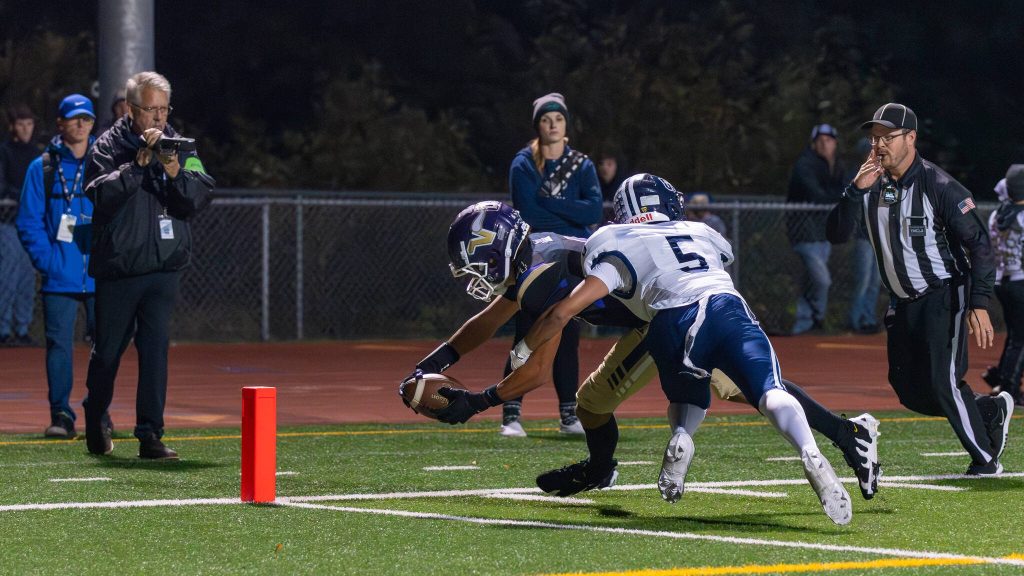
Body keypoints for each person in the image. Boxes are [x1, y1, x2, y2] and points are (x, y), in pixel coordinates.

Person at [423, 199, 881, 501]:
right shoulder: (537, 254)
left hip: (660, 319)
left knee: (594, 403)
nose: (472, 276)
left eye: (473, 263)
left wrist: (477, 403)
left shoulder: (543, 280)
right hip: (660, 311)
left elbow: (535, 372)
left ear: (496, 248)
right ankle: (848, 435)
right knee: (750, 387)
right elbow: (488, 321)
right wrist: (437, 360)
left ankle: (600, 470)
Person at [509, 173, 853, 524]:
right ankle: (810, 452)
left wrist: (522, 349)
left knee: (687, 398)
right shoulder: (702, 232)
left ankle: (682, 436)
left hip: (667, 323)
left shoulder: (613, 240)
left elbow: (563, 312)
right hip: (723, 306)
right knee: (769, 391)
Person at [827, 103, 1013, 476]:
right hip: (903, 300)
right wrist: (852, 192)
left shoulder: (938, 184)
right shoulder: (868, 183)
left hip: (944, 292)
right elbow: (836, 234)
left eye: (887, 137)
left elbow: (979, 244)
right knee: (908, 390)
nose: (879, 144)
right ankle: (989, 410)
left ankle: (985, 459)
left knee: (942, 382)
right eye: (873, 137)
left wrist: (979, 303)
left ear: (910, 138)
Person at [82, 71, 214, 459]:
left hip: (164, 267)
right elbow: (100, 196)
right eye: (150, 109)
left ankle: (150, 434)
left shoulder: (181, 145)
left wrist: (173, 169)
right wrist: (137, 167)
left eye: (163, 109)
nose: (158, 118)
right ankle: (95, 413)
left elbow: (198, 195)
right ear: (130, 109)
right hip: (120, 268)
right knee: (107, 352)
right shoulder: (107, 146)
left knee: (155, 350)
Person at [504, 92, 602, 437]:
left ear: (565, 123)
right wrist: (565, 207)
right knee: (527, 328)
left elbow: (593, 211)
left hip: (573, 254)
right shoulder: (523, 163)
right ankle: (511, 415)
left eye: (558, 119)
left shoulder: (582, 164)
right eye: (546, 119)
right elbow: (527, 213)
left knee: (569, 332)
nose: (553, 125)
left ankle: (568, 415)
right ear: (538, 125)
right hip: (536, 252)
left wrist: (550, 201)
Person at [15, 94, 98, 438]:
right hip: (58, 276)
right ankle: (61, 415)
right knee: (59, 347)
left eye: (87, 119)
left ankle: (99, 411)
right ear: (60, 123)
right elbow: (29, 221)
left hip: (100, 275)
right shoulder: (43, 167)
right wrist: (49, 262)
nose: (81, 124)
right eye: (74, 118)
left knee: (104, 348)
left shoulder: (105, 161)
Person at [786, 123, 845, 335]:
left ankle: (805, 324)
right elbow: (817, 195)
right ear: (813, 144)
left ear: (835, 143)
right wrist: (842, 197)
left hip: (822, 232)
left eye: (829, 140)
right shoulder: (805, 164)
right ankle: (817, 317)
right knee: (822, 279)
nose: (824, 144)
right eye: (820, 140)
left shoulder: (836, 165)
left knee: (811, 280)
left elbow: (844, 188)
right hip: (804, 233)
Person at [981, 165, 1024, 406]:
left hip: (1002, 281)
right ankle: (1009, 388)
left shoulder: (997, 215)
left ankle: (1003, 377)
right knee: (1021, 337)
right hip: (1019, 281)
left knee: (1016, 335)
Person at [0, 104, 41, 346]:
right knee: (8, 274)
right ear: (12, 126)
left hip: (32, 223)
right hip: (8, 222)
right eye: (21, 124)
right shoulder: (4, 152)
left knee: (27, 275)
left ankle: (22, 328)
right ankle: (3, 330)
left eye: (29, 124)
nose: (26, 129)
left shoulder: (37, 154)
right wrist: (25, 196)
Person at [846, 137, 882, 334]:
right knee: (863, 279)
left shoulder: (883, 174)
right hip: (863, 235)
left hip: (878, 236)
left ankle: (867, 318)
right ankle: (855, 319)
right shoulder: (857, 175)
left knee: (875, 280)